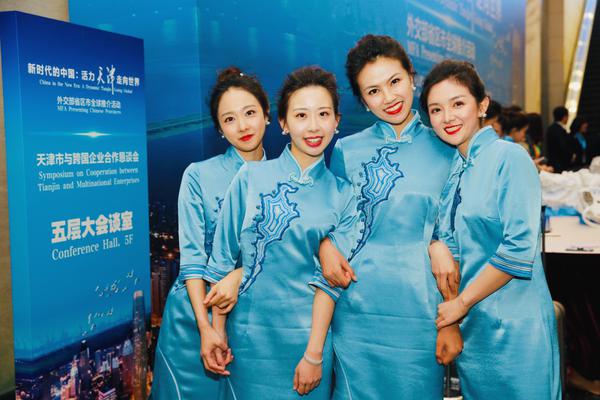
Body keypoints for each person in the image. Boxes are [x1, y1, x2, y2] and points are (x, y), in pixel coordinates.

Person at [318, 34, 462, 399]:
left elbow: (456, 238)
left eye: (395, 81)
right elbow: (333, 222)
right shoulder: (347, 151)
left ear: (412, 76)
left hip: (422, 311)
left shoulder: (447, 147)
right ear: (363, 100)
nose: (389, 97)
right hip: (357, 309)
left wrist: (450, 320)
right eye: (373, 91)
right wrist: (325, 244)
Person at [204, 66, 357, 399]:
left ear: (336, 121)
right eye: (301, 115)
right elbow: (221, 260)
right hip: (246, 343)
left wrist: (314, 354)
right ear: (284, 123)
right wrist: (217, 332)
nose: (313, 126)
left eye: (323, 114)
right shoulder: (249, 178)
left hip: (307, 342)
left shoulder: (344, 194)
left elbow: (329, 283)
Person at [421, 59, 561, 399]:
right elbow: (451, 248)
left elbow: (519, 249)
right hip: (475, 330)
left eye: (458, 104)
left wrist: (460, 304)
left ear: (482, 105)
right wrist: (436, 247)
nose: (447, 117)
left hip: (517, 328)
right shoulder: (454, 170)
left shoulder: (509, 158)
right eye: (436, 109)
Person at [151, 67, 269, 399]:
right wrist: (204, 327)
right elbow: (191, 260)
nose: (242, 126)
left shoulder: (284, 178)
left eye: (250, 113)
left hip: (255, 322)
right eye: (229, 119)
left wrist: (240, 274)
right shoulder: (198, 175)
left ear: (267, 114)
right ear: (219, 128)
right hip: (195, 316)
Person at [547, 105, 576, 172]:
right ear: (564, 117)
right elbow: (563, 146)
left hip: (553, 161)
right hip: (560, 163)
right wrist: (571, 155)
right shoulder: (559, 129)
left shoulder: (551, 128)